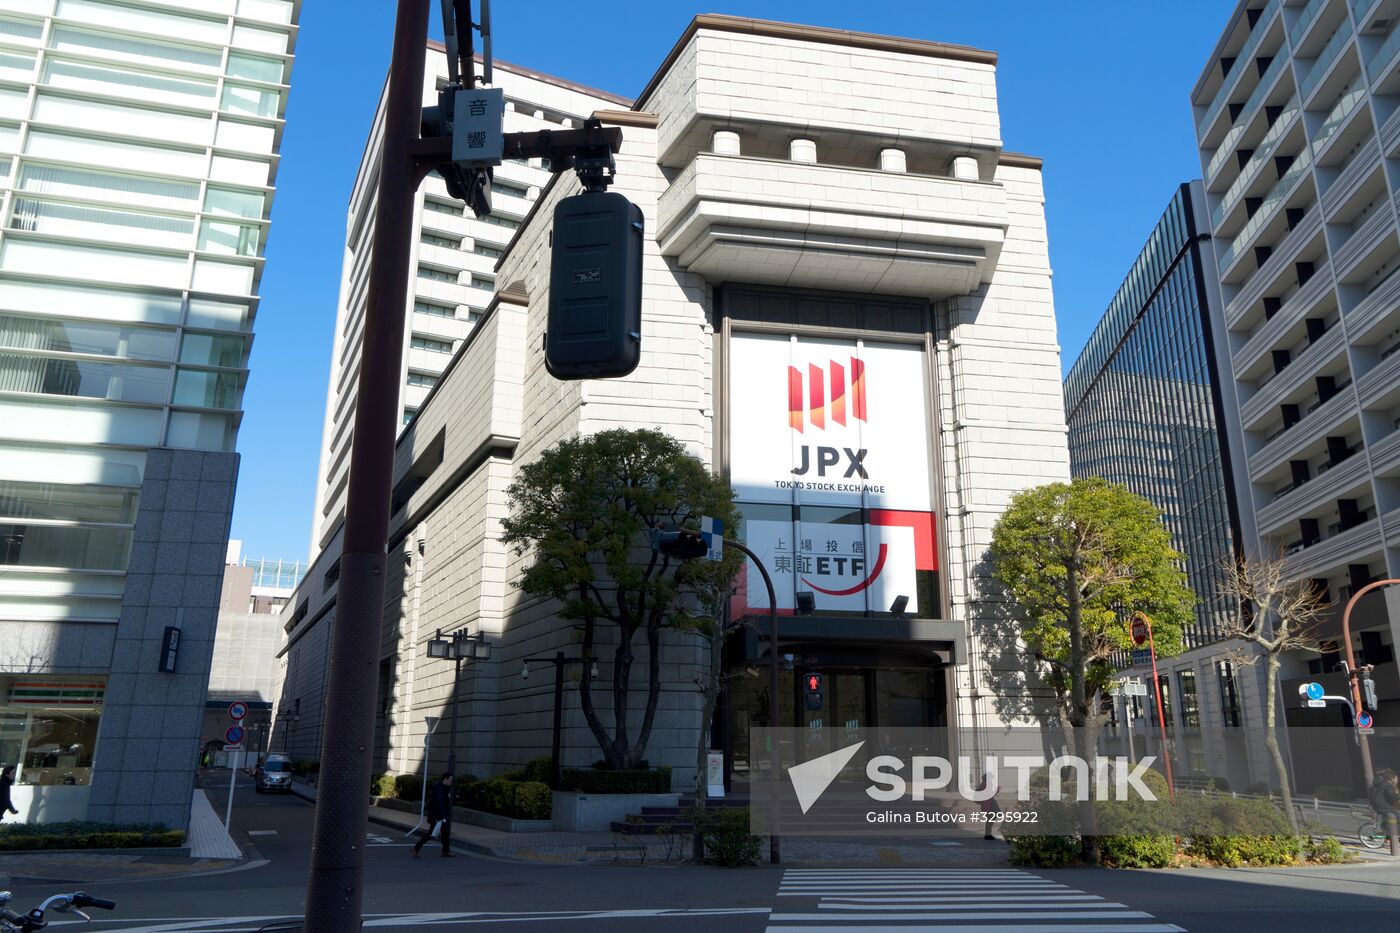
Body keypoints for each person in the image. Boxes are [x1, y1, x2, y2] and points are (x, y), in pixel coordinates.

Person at [412, 773, 454, 858]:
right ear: (445, 779)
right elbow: (439, 803)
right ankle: (416, 848)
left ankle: (445, 851)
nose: (451, 782)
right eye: (450, 780)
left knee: (445, 833)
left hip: (441, 815)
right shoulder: (440, 788)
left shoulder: (444, 788)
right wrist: (443, 816)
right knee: (431, 833)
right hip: (438, 816)